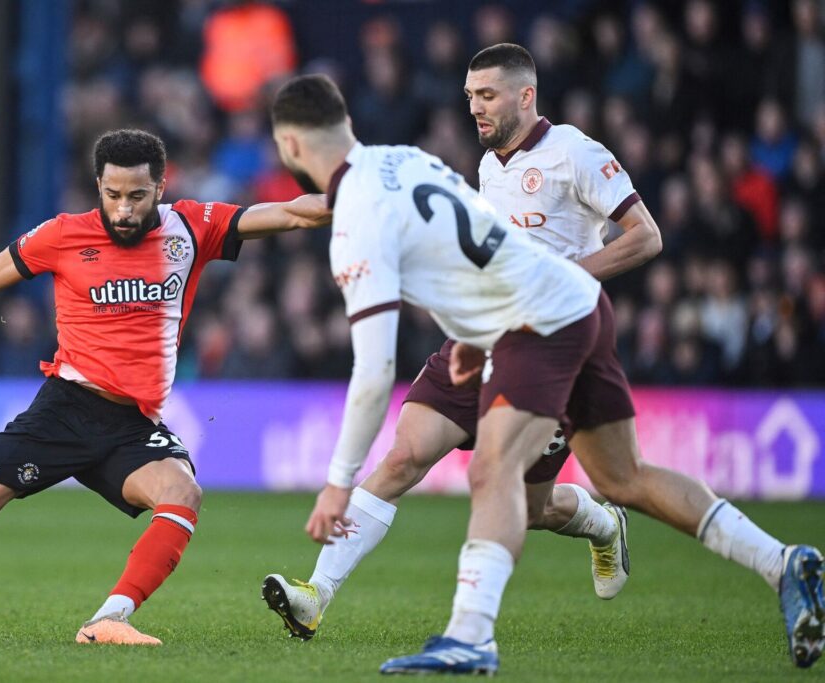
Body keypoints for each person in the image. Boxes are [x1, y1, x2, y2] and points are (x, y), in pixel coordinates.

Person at [266, 73, 824, 675]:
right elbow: (475, 244)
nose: (475, 108)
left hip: (538, 322)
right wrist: (476, 336)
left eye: (487, 94)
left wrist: (337, 483)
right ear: (345, 123)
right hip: (551, 311)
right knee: (623, 477)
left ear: (291, 147)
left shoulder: (359, 225)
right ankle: (782, 561)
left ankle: (470, 637)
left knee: (493, 470)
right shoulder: (404, 159)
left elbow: (374, 371)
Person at [0, 129, 331, 646]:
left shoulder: (192, 227)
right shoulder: (62, 235)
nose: (123, 209)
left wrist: (359, 195)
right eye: (112, 194)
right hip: (65, 410)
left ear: (161, 187)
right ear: (98, 184)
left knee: (182, 491)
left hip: (131, 425)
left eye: (137, 196)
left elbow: (293, 213)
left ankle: (109, 619)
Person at [262, 43, 663, 641]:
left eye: (487, 95)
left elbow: (646, 237)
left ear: (525, 95)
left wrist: (571, 273)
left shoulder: (576, 153)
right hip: (478, 338)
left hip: (551, 344)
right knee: (402, 457)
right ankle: (315, 594)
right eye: (470, 96)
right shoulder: (487, 166)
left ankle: (603, 526)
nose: (474, 107)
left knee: (528, 508)